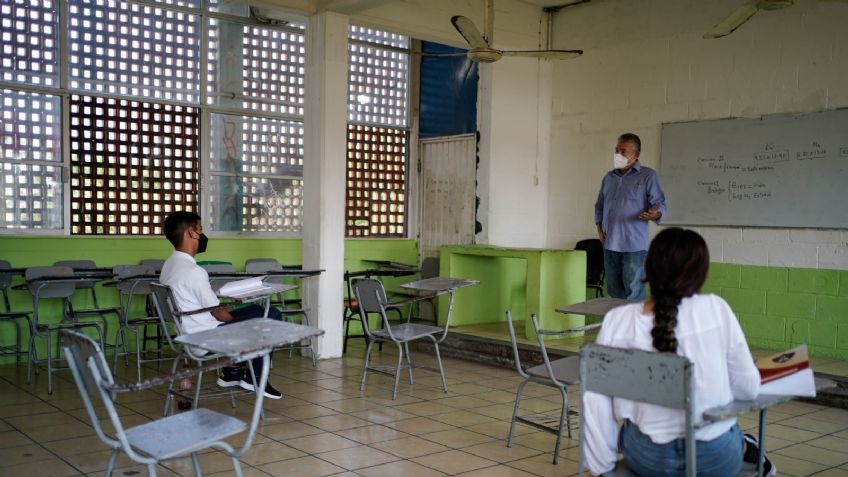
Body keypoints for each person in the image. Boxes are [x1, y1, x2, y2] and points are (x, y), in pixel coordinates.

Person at [582, 228, 775, 477]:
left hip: (647, 457)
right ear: (700, 273)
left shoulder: (617, 322)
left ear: (648, 267)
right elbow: (747, 389)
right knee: (738, 438)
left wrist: (602, 468)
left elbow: (596, 402)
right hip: (715, 457)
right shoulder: (716, 309)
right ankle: (749, 447)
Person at [159, 211, 283, 399]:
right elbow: (219, 314)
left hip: (188, 334)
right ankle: (255, 379)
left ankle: (232, 372)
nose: (202, 236)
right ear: (190, 232)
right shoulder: (193, 271)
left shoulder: (169, 266)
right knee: (270, 315)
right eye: (200, 230)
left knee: (258, 310)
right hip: (206, 339)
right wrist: (242, 327)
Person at [594, 132, 666, 300]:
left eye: (623, 151)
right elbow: (599, 207)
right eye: (616, 150)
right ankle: (619, 326)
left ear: (637, 154)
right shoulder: (609, 177)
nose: (618, 155)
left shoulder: (648, 176)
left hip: (634, 245)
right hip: (610, 243)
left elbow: (659, 203)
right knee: (614, 293)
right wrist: (599, 230)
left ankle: (635, 326)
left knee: (634, 293)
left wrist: (656, 213)